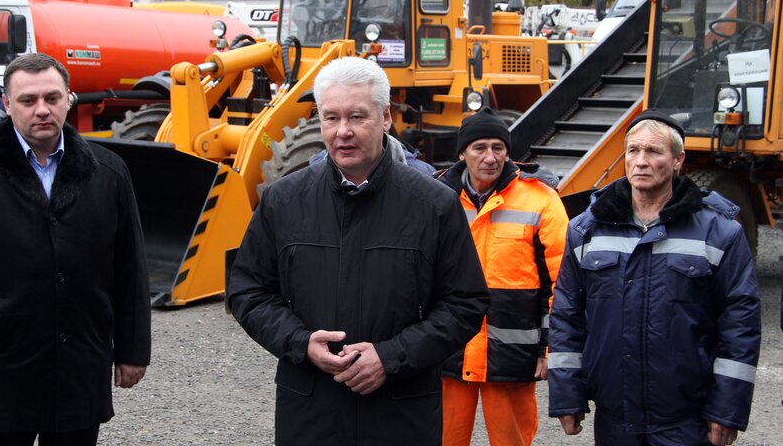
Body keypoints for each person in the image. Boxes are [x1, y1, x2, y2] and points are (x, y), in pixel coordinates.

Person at [227, 56, 489, 446]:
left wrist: (391, 357)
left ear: (385, 117)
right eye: (331, 118)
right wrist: (301, 343)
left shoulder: (433, 205)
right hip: (311, 414)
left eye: (356, 117)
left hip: (401, 417)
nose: (343, 131)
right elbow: (247, 291)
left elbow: (465, 303)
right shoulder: (284, 201)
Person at [0, 53, 151, 446]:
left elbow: (129, 267)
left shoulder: (109, 172)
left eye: (52, 98)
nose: (42, 110)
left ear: (69, 98)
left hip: (78, 364)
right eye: (28, 100)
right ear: (6, 103)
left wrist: (133, 349)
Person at [548, 109, 761, 446]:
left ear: (678, 161)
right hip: (614, 418)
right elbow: (567, 315)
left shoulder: (720, 232)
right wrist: (566, 394)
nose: (641, 161)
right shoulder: (586, 229)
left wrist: (727, 407)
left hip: (686, 420)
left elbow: (740, 324)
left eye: (653, 151)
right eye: (633, 150)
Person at [436, 107, 568, 446]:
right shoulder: (436, 198)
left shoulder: (541, 199)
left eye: (499, 147)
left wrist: (550, 347)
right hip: (447, 348)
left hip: (513, 352)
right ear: (462, 152)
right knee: (439, 437)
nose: (490, 157)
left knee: (512, 439)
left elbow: (563, 283)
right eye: (480, 148)